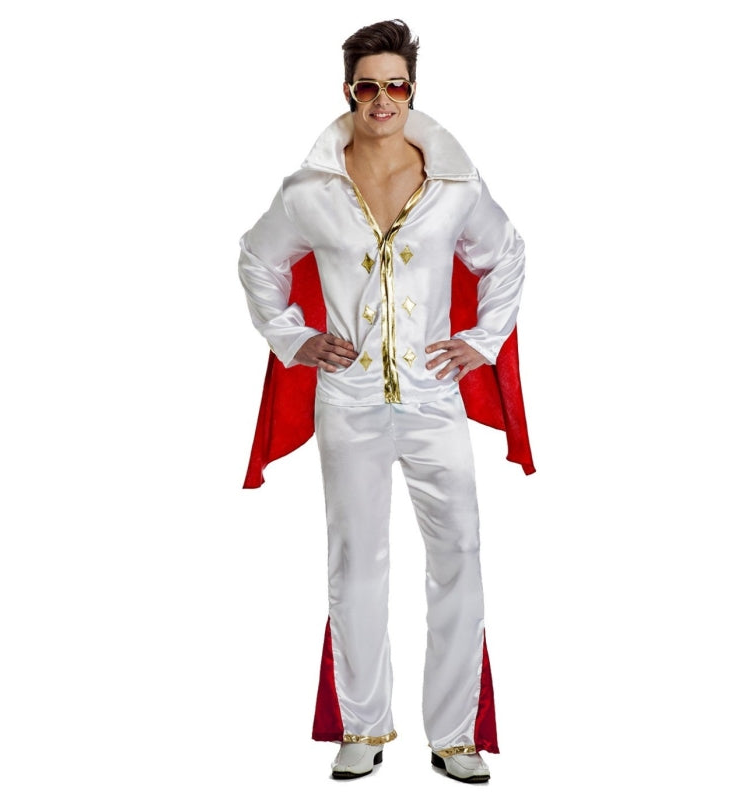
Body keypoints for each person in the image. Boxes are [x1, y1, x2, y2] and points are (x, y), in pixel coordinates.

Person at [238, 19, 530, 783]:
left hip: (436, 400)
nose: (381, 99)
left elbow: (505, 254)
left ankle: (455, 735)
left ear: (411, 90)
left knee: (459, 555)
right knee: (356, 561)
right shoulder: (310, 191)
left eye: (395, 85)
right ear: (349, 91)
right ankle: (362, 725)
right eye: (367, 85)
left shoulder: (455, 184)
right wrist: (295, 338)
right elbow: (257, 259)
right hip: (349, 400)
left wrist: (482, 341)